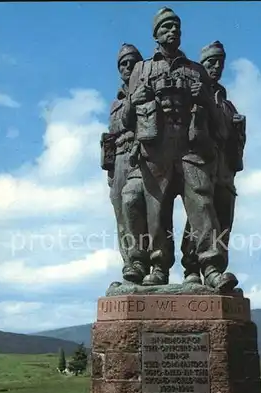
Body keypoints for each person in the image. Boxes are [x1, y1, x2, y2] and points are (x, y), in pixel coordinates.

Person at [121, 7, 228, 287]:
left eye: (177, 27)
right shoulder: (142, 69)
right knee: (157, 211)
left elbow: (218, 122)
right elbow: (124, 120)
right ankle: (159, 267)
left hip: (191, 145)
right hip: (156, 149)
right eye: (167, 27)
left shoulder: (196, 70)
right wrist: (134, 101)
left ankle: (211, 267)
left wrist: (204, 97)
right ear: (155, 34)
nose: (174, 31)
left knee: (202, 205)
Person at [181, 40, 246, 288]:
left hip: (224, 170)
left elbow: (233, 142)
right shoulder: (192, 93)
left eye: (220, 62)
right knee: (201, 213)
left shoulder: (228, 106)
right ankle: (195, 269)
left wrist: (239, 131)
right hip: (199, 162)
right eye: (210, 62)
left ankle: (215, 274)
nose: (216, 67)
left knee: (223, 219)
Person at [100, 43, 150, 283]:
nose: (127, 67)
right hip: (120, 159)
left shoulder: (148, 92)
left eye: (132, 62)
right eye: (123, 64)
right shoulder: (116, 101)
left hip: (143, 157)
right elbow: (115, 128)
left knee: (142, 210)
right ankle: (131, 266)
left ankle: (148, 264)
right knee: (122, 215)